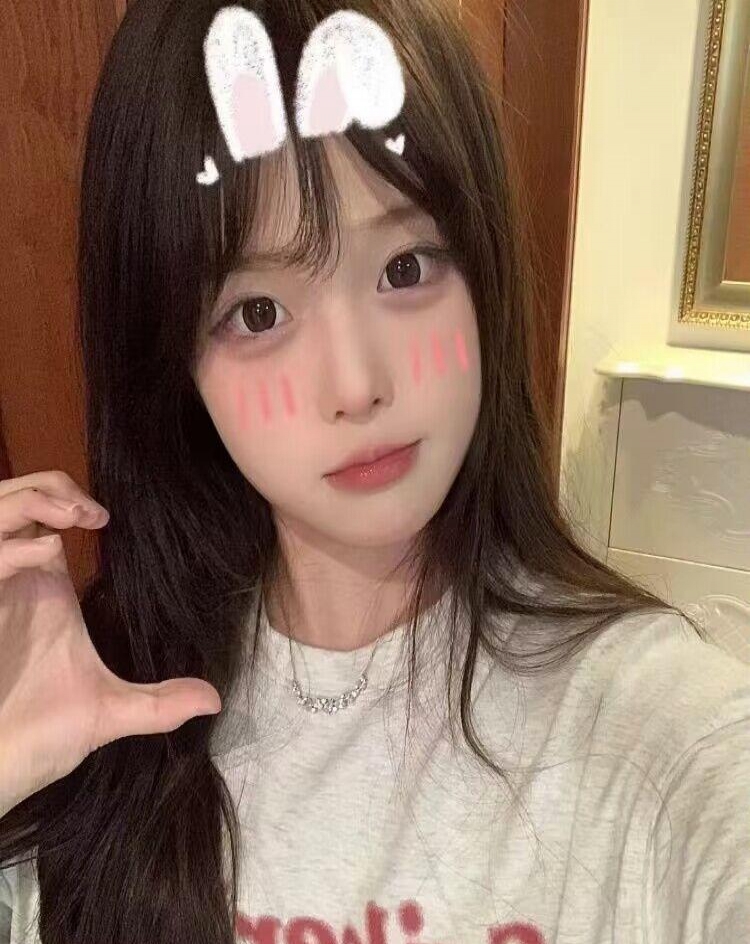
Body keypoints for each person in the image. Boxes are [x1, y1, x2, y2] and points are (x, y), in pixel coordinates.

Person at [1, 0, 748, 941]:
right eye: (258, 313)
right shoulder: (99, 700)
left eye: (406, 267)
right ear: (173, 361)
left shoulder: (651, 727)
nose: (357, 386)